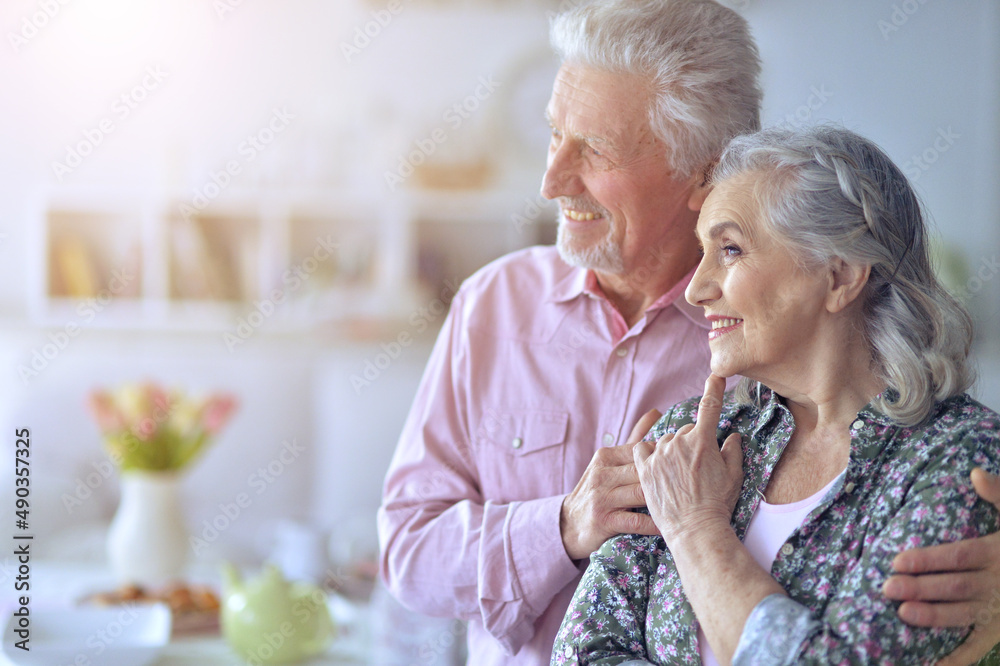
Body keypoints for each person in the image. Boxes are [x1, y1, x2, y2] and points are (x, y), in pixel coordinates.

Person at [378, 1, 1000, 664]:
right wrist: (563, 526)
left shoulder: (767, 378)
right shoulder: (494, 305)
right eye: (554, 135)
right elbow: (412, 556)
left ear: (704, 174)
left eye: (594, 149)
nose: (551, 180)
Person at [551, 125, 1000, 665]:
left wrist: (695, 529)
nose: (696, 289)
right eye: (703, 252)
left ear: (840, 276)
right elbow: (581, 652)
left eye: (731, 249)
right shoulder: (688, 440)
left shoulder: (959, 458)